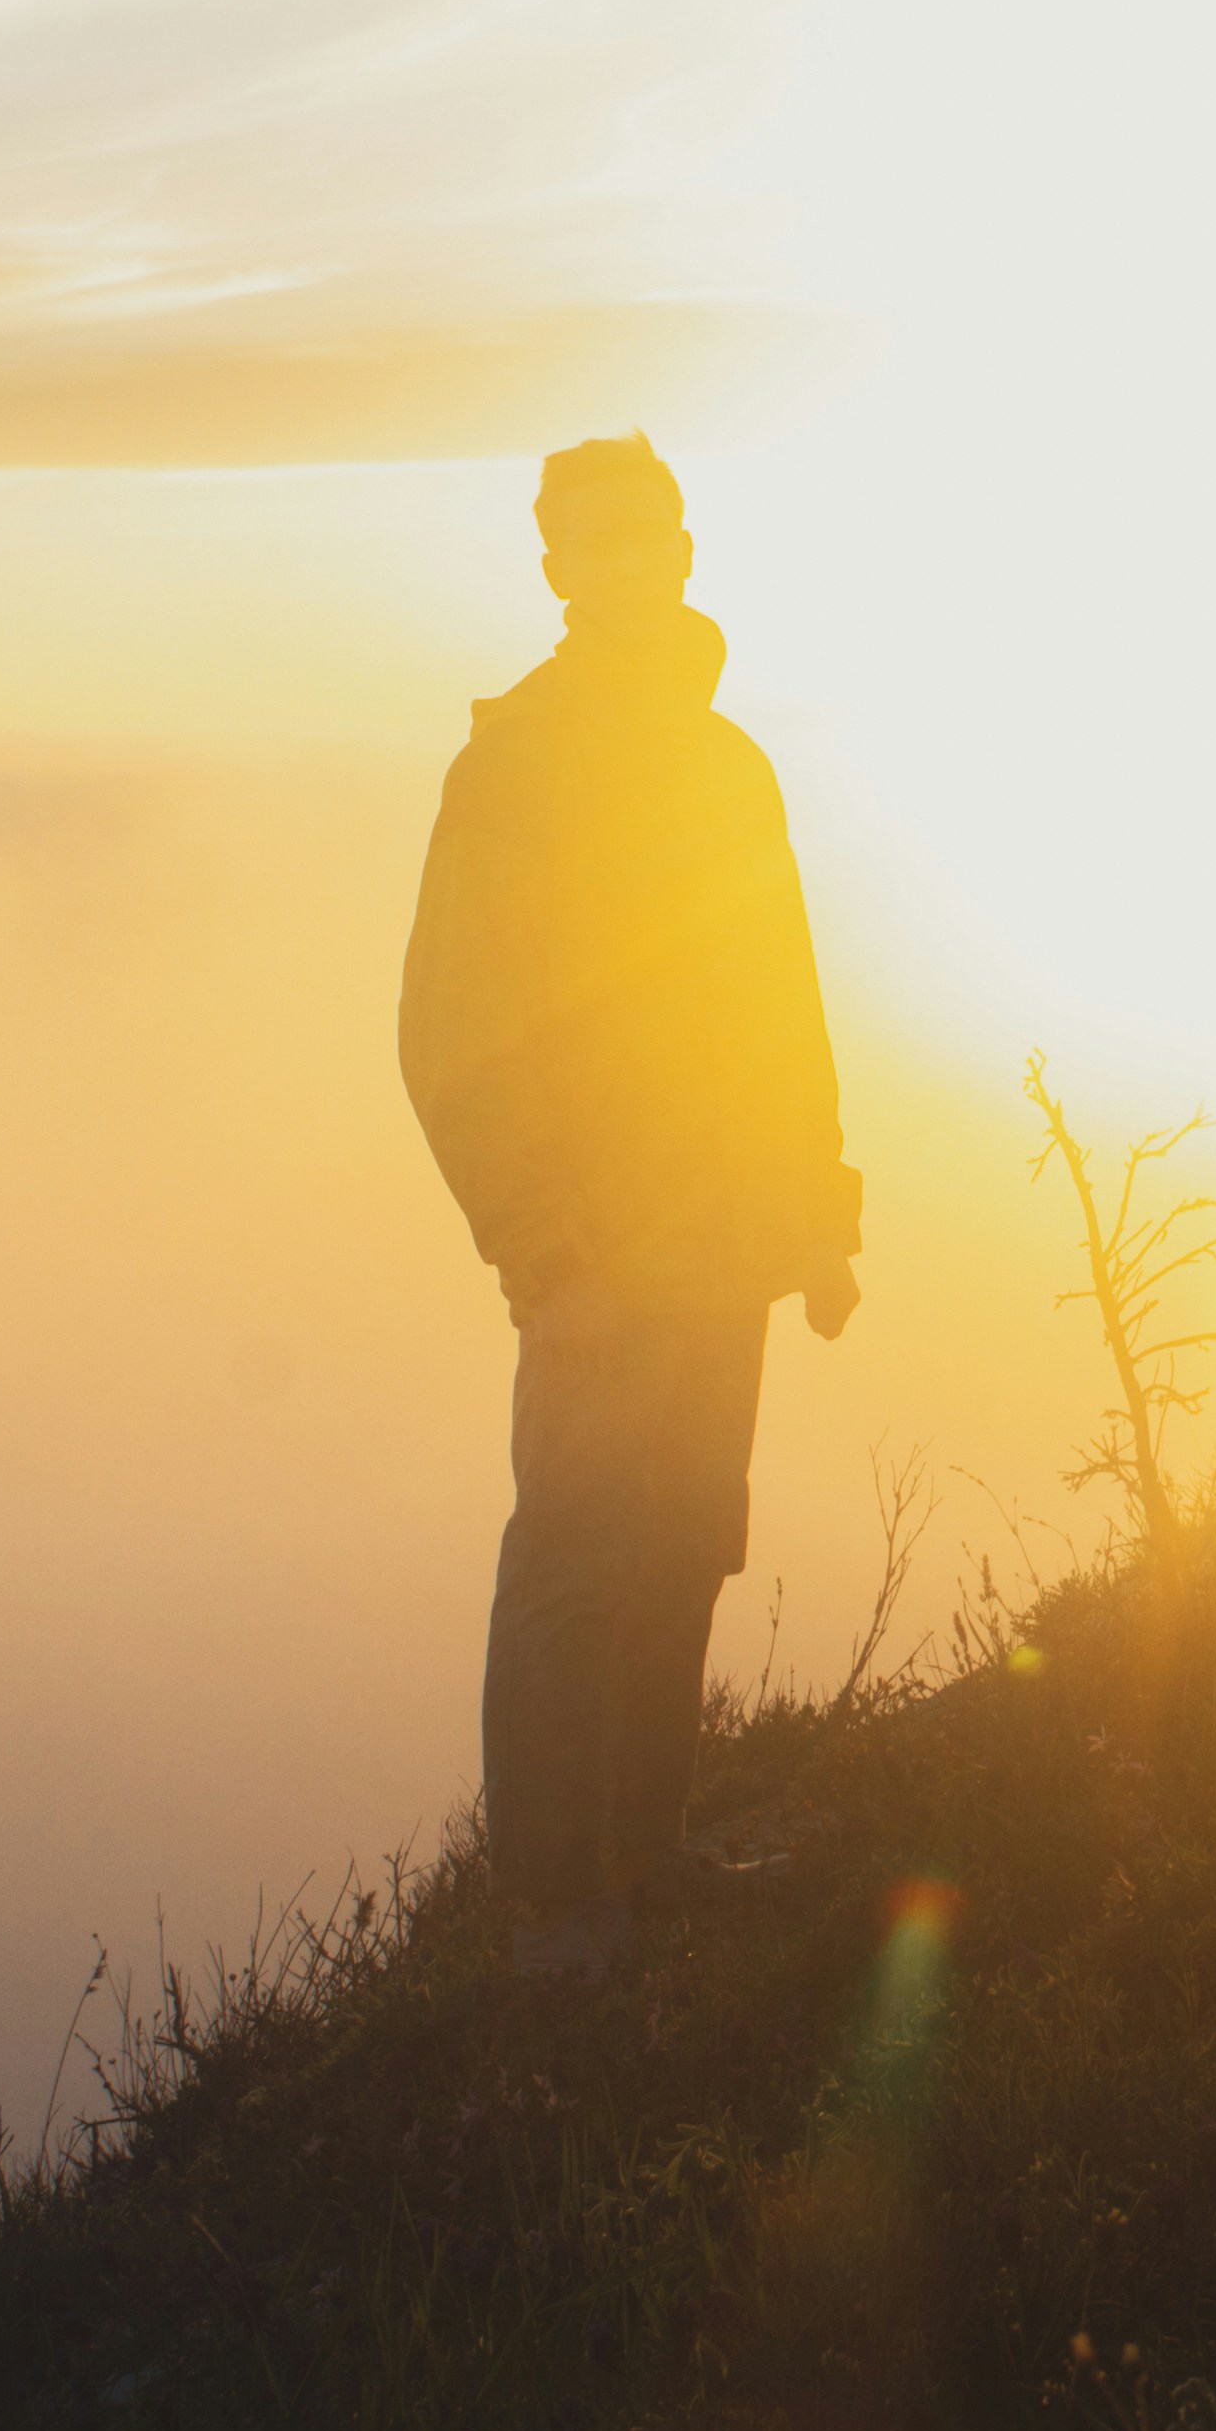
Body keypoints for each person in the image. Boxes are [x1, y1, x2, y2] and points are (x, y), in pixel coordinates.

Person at [399, 434, 863, 1981]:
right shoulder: (515, 770)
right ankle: (549, 1914)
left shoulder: (727, 768)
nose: (624, 564)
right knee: (579, 1565)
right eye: (590, 545)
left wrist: (819, 1215)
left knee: (684, 1547)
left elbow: (780, 1012)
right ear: (557, 572)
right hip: (602, 1266)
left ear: (676, 546)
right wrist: (545, 1250)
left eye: (644, 534)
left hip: (723, 1251)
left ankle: (646, 1864)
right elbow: (458, 1038)